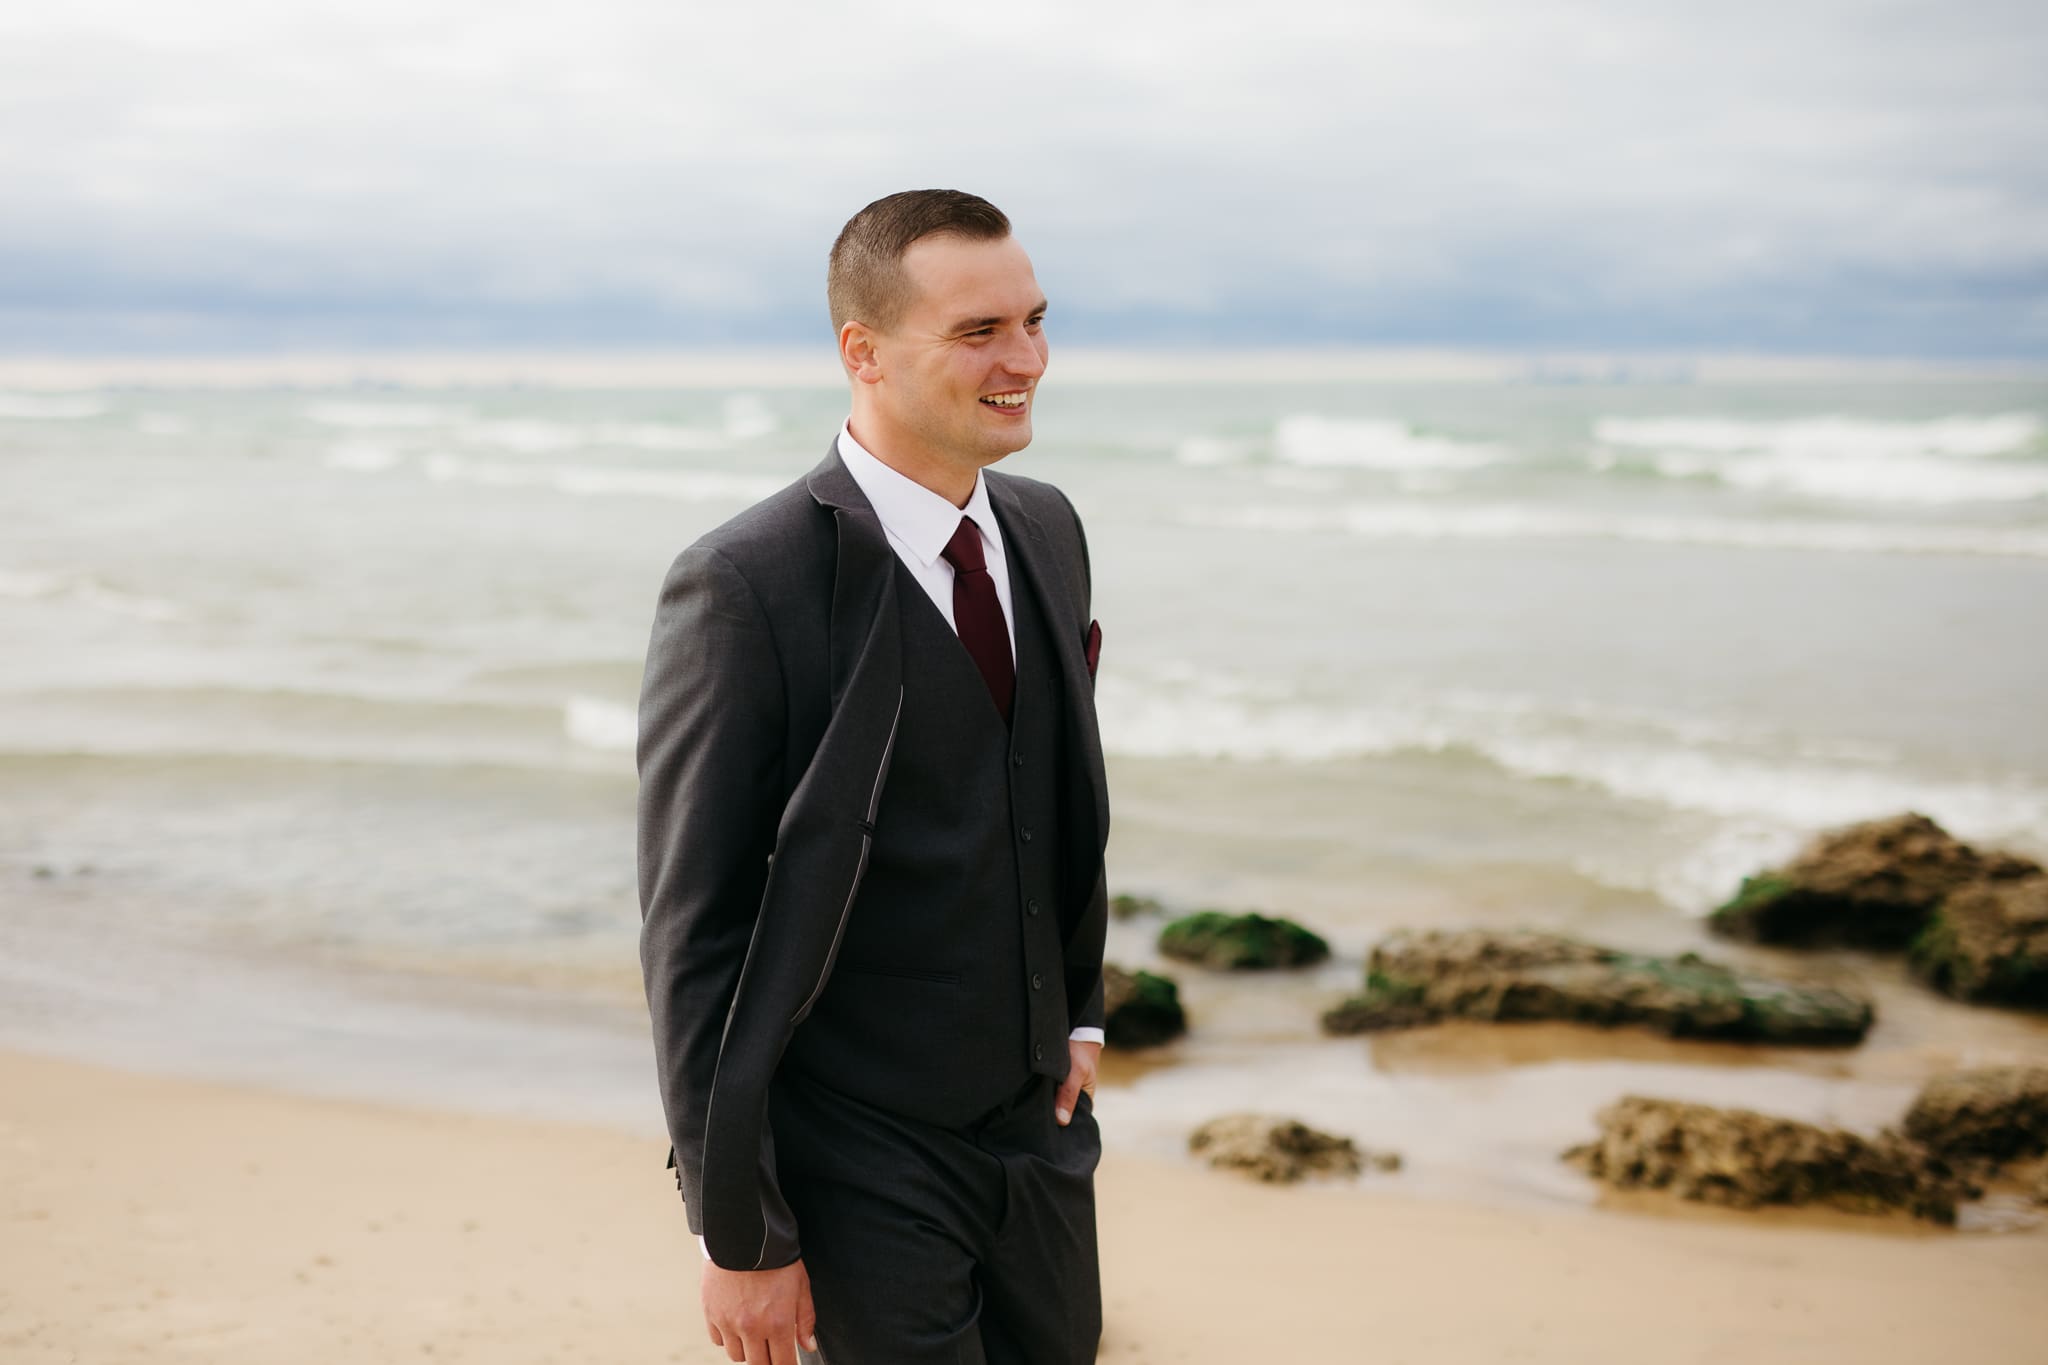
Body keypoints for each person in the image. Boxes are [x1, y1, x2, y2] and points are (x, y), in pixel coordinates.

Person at [636, 188, 1111, 1365]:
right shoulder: (744, 584)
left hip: (1038, 1137)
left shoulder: (1047, 529)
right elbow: (693, 930)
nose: (1025, 361)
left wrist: (1079, 1009)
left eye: (1033, 322)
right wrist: (739, 1228)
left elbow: (1058, 800)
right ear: (863, 352)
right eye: (978, 332)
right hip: (853, 1152)